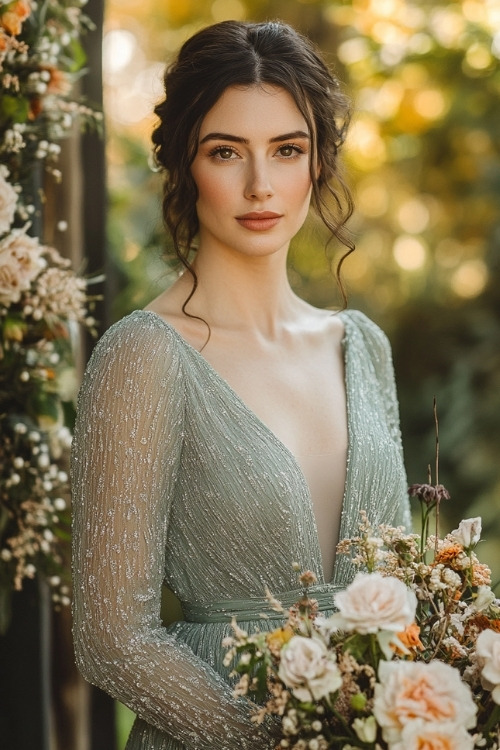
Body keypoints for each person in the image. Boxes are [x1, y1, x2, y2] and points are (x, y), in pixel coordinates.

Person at [71, 19, 411, 750]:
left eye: (286, 150)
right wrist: (277, 741)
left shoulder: (362, 348)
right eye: (227, 152)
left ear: (317, 163)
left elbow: (403, 590)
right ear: (184, 164)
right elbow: (110, 639)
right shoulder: (143, 357)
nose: (261, 185)